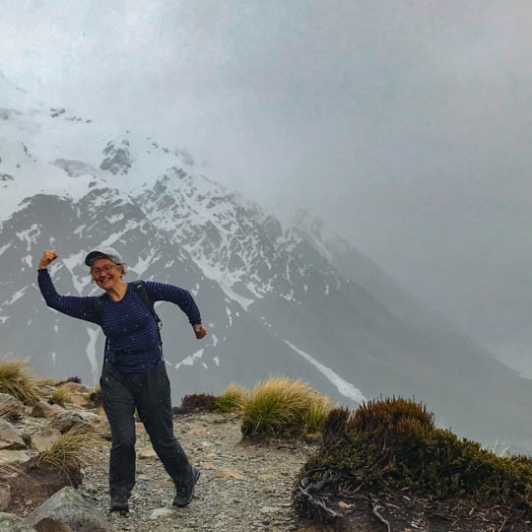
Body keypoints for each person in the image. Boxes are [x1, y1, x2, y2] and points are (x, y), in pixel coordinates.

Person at [37, 246, 207, 513]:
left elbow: (182, 295)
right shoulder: (98, 306)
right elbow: (55, 301)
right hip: (117, 378)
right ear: (93, 277)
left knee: (161, 437)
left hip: (152, 374)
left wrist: (196, 323)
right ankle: (120, 495)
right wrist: (42, 269)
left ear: (120, 268)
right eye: (96, 271)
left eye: (107, 267)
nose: (103, 273)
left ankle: (186, 478)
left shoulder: (143, 291)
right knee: (124, 439)